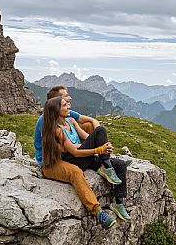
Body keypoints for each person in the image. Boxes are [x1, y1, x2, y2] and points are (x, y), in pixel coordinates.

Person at [41, 96, 116, 229]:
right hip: (51, 165)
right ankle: (98, 212)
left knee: (97, 132)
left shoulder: (66, 122)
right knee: (75, 172)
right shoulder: (56, 130)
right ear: (57, 110)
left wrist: (100, 147)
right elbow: (75, 152)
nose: (69, 106)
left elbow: (77, 145)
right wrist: (98, 149)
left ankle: (108, 164)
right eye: (64, 105)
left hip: (68, 156)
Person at [34, 85, 99, 166]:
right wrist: (93, 148)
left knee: (89, 125)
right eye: (66, 96)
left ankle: (98, 158)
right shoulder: (45, 120)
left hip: (70, 148)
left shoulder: (66, 112)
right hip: (54, 156)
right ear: (57, 100)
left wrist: (98, 136)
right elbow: (58, 147)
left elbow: (93, 120)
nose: (70, 98)